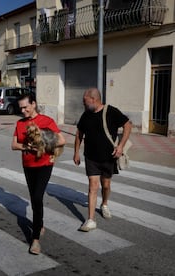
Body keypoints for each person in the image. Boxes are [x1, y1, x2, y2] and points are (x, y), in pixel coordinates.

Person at [11, 94, 66, 255]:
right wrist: (26, 147)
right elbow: (14, 145)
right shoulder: (20, 123)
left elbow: (62, 140)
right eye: (20, 108)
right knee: (35, 199)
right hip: (28, 165)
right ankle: (39, 223)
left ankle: (35, 240)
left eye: (25, 107)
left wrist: (43, 142)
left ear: (33, 104)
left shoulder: (46, 121)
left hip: (44, 165)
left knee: (36, 198)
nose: (23, 110)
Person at [73, 88, 132, 231]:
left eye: (85, 101)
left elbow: (128, 125)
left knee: (105, 185)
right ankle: (91, 220)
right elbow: (79, 133)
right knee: (93, 186)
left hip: (108, 157)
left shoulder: (111, 111)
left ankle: (104, 203)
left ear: (94, 100)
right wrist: (76, 152)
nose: (83, 104)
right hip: (91, 157)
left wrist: (121, 146)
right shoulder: (86, 115)